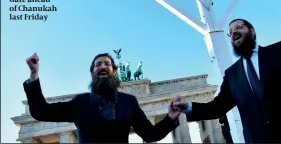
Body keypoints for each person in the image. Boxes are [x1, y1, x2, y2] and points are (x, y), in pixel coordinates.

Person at [173, 5, 281, 143]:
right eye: (230, 32)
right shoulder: (232, 75)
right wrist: (189, 107)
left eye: (239, 27)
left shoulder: (279, 51)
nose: (234, 32)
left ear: (252, 31)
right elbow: (217, 108)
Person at [23, 53, 181, 143]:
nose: (103, 66)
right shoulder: (80, 102)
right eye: (98, 64)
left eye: (107, 64)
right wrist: (34, 74)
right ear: (92, 72)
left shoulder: (129, 101)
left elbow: (150, 134)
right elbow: (41, 112)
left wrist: (170, 118)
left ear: (114, 70)